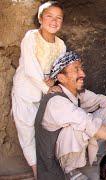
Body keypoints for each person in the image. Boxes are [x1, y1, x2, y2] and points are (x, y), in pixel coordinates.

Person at [35, 51, 106, 179]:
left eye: (81, 69)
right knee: (77, 126)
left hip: (66, 145)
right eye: (76, 70)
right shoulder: (57, 101)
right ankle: (70, 170)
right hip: (53, 160)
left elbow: (101, 100)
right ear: (61, 78)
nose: (83, 74)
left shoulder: (76, 92)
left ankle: (95, 154)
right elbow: (89, 124)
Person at [11, 1, 66, 177]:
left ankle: (51, 165)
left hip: (44, 93)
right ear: (40, 19)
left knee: (44, 131)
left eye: (58, 18)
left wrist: (53, 81)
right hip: (25, 91)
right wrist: (46, 85)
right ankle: (37, 173)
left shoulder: (61, 45)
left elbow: (58, 69)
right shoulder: (31, 37)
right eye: (49, 16)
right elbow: (30, 68)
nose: (54, 21)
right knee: (26, 130)